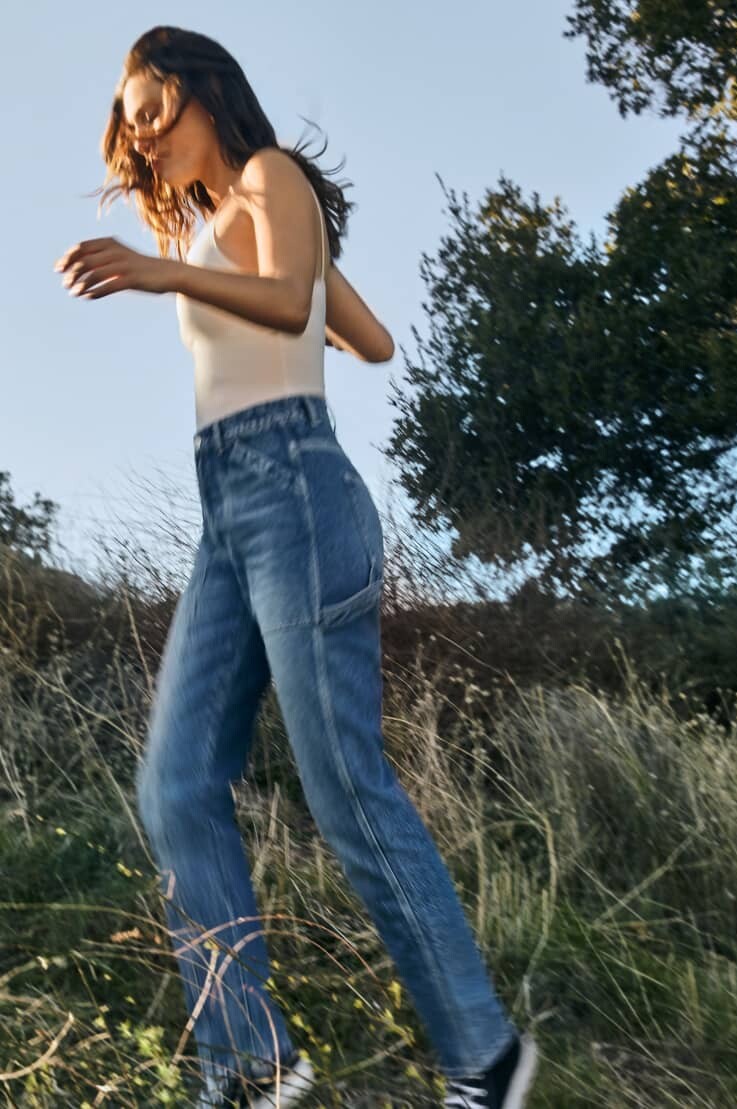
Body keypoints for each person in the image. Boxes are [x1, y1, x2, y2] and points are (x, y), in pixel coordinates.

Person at [54, 25, 538, 1109]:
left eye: (152, 111)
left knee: (347, 791)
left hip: (297, 491)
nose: (143, 137)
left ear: (204, 93)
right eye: (131, 126)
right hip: (227, 506)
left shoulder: (271, 175)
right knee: (175, 783)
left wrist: (172, 272)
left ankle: (486, 1056)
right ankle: (250, 1063)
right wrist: (291, 282)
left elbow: (288, 304)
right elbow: (368, 338)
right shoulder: (227, 220)